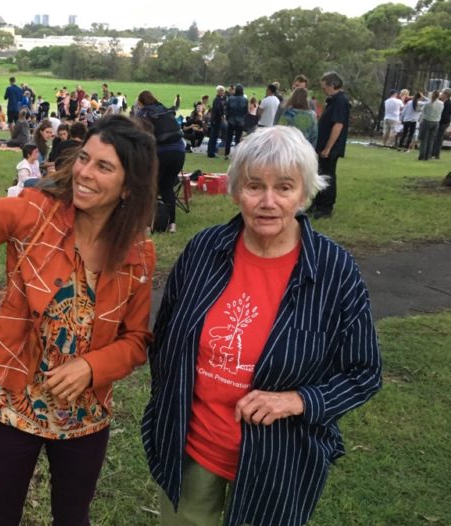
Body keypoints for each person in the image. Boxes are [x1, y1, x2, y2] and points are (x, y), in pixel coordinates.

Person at [0, 97, 157, 525]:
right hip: (13, 407)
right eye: (85, 159)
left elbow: (135, 342)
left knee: (73, 519)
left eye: (104, 167)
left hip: (85, 417)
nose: (85, 173)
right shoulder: (33, 214)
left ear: (129, 186)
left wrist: (91, 368)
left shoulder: (138, 253)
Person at [143, 125, 382, 526]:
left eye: (284, 187)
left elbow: (364, 372)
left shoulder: (333, 270)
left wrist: (295, 400)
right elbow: (165, 336)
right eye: (255, 186)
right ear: (236, 191)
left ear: (304, 193)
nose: (268, 202)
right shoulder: (204, 249)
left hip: (280, 459)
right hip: (194, 447)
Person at [136, 90, 186, 233]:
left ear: (141, 102)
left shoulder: (144, 113)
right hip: (179, 152)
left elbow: (141, 137)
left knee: (152, 186)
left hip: (162, 153)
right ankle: (172, 225)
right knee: (167, 186)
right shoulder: (164, 109)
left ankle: (147, 225)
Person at [311, 71, 350, 219]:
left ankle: (326, 207)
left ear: (333, 85)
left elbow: (338, 125)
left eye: (325, 87)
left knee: (328, 175)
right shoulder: (332, 100)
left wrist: (328, 147)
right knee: (321, 174)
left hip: (331, 147)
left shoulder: (341, 101)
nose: (323, 90)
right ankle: (317, 203)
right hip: (323, 145)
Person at [224, 83, 248, 159]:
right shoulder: (245, 100)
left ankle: (226, 154)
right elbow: (245, 111)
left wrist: (228, 118)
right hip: (240, 120)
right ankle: (236, 154)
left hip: (231, 120)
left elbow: (227, 110)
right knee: (238, 138)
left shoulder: (230, 98)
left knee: (229, 138)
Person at [418, 90, 443, 161]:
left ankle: (422, 155)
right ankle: (427, 156)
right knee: (431, 140)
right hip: (436, 122)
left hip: (427, 121)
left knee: (424, 140)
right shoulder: (441, 103)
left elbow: (424, 112)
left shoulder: (428, 104)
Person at [430, 88, 451, 159]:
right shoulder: (439, 101)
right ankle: (434, 153)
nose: (441, 94)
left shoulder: (449, 103)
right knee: (436, 138)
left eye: (443, 93)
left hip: (444, 122)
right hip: (437, 120)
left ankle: (435, 154)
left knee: (438, 138)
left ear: (446, 95)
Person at [207, 86, 226, 158]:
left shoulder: (219, 99)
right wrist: (222, 115)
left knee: (214, 136)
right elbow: (218, 109)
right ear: (218, 91)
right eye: (222, 91)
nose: (223, 92)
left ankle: (211, 151)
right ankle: (211, 153)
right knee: (214, 136)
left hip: (216, 120)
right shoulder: (217, 100)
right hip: (216, 120)